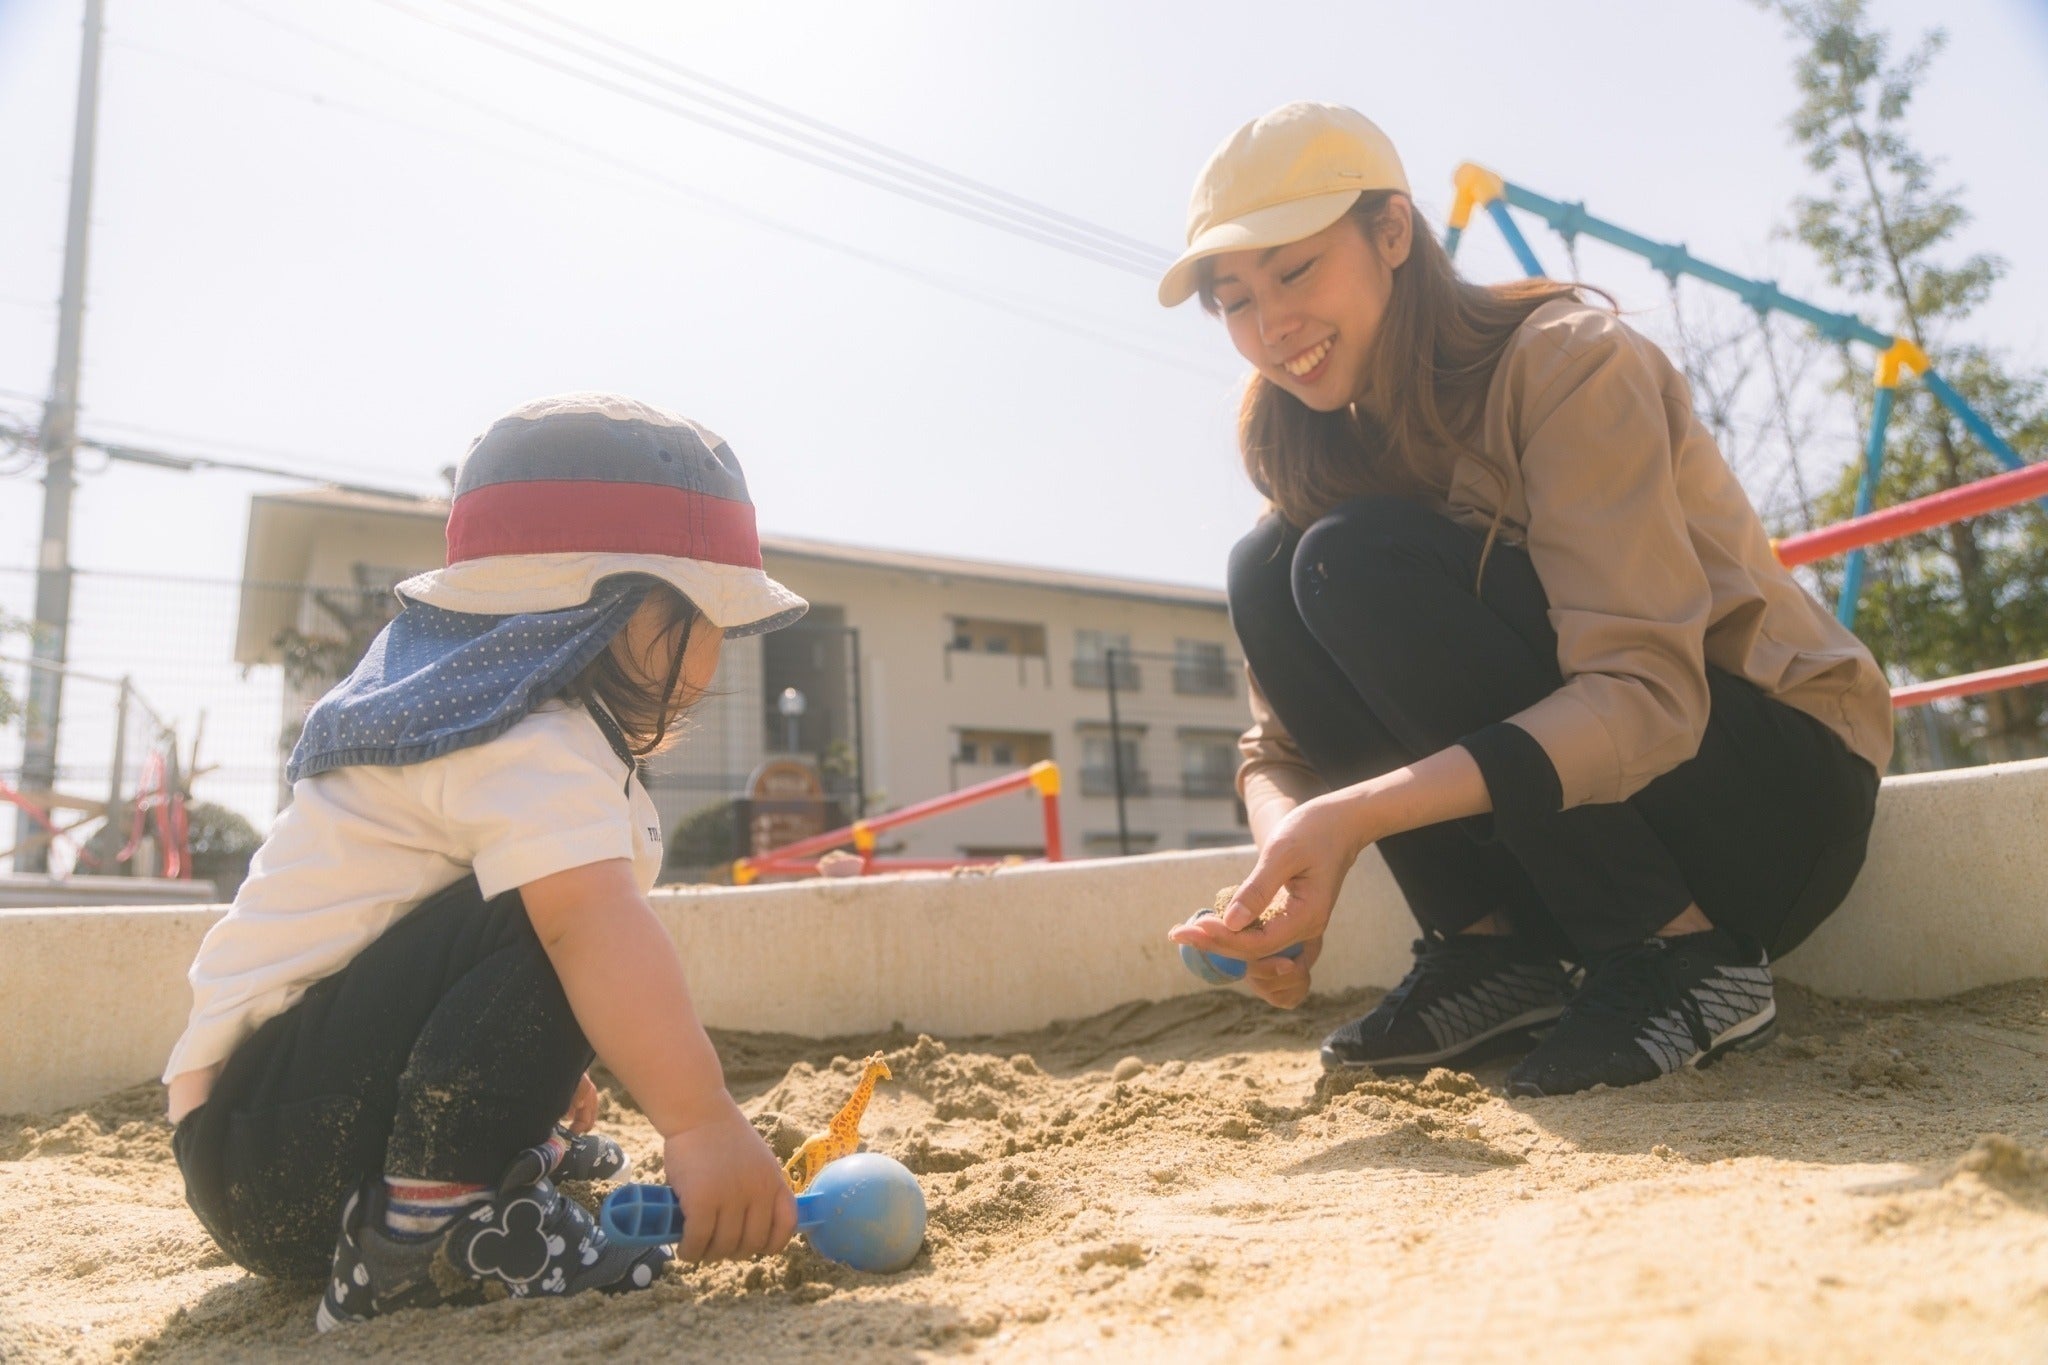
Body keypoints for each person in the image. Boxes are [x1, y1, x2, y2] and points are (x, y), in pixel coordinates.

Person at [1160, 103, 1892, 1097]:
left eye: (1294, 271)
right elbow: (1276, 753)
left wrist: (1354, 818)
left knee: (1348, 558)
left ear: (1390, 235)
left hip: (1767, 801)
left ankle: (1683, 961)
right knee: (1271, 562)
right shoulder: (1307, 445)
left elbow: (1647, 696)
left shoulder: (1564, 362)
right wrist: (1282, 878)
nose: (1270, 325)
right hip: (1572, 854)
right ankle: (1492, 960)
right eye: (1233, 299)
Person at [163, 393, 811, 1328]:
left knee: (568, 909)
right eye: (705, 614)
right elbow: (582, 928)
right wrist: (702, 1120)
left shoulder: (465, 714)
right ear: (623, 610)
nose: (716, 651)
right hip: (280, 1144)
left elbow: (418, 951)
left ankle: (471, 1173)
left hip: (265, 1145)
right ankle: (431, 1231)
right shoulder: (529, 738)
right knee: (574, 912)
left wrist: (516, 1067)